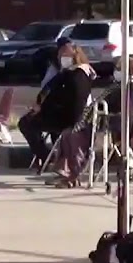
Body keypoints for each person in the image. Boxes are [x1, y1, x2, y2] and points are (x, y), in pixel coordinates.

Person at [19, 44, 94, 172]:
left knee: (27, 123)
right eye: (60, 56)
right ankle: (48, 156)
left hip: (70, 118)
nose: (61, 58)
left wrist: (44, 108)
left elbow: (71, 101)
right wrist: (40, 104)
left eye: (65, 55)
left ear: (75, 56)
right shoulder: (66, 73)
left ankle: (49, 157)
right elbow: (49, 90)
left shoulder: (79, 75)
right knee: (27, 120)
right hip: (58, 113)